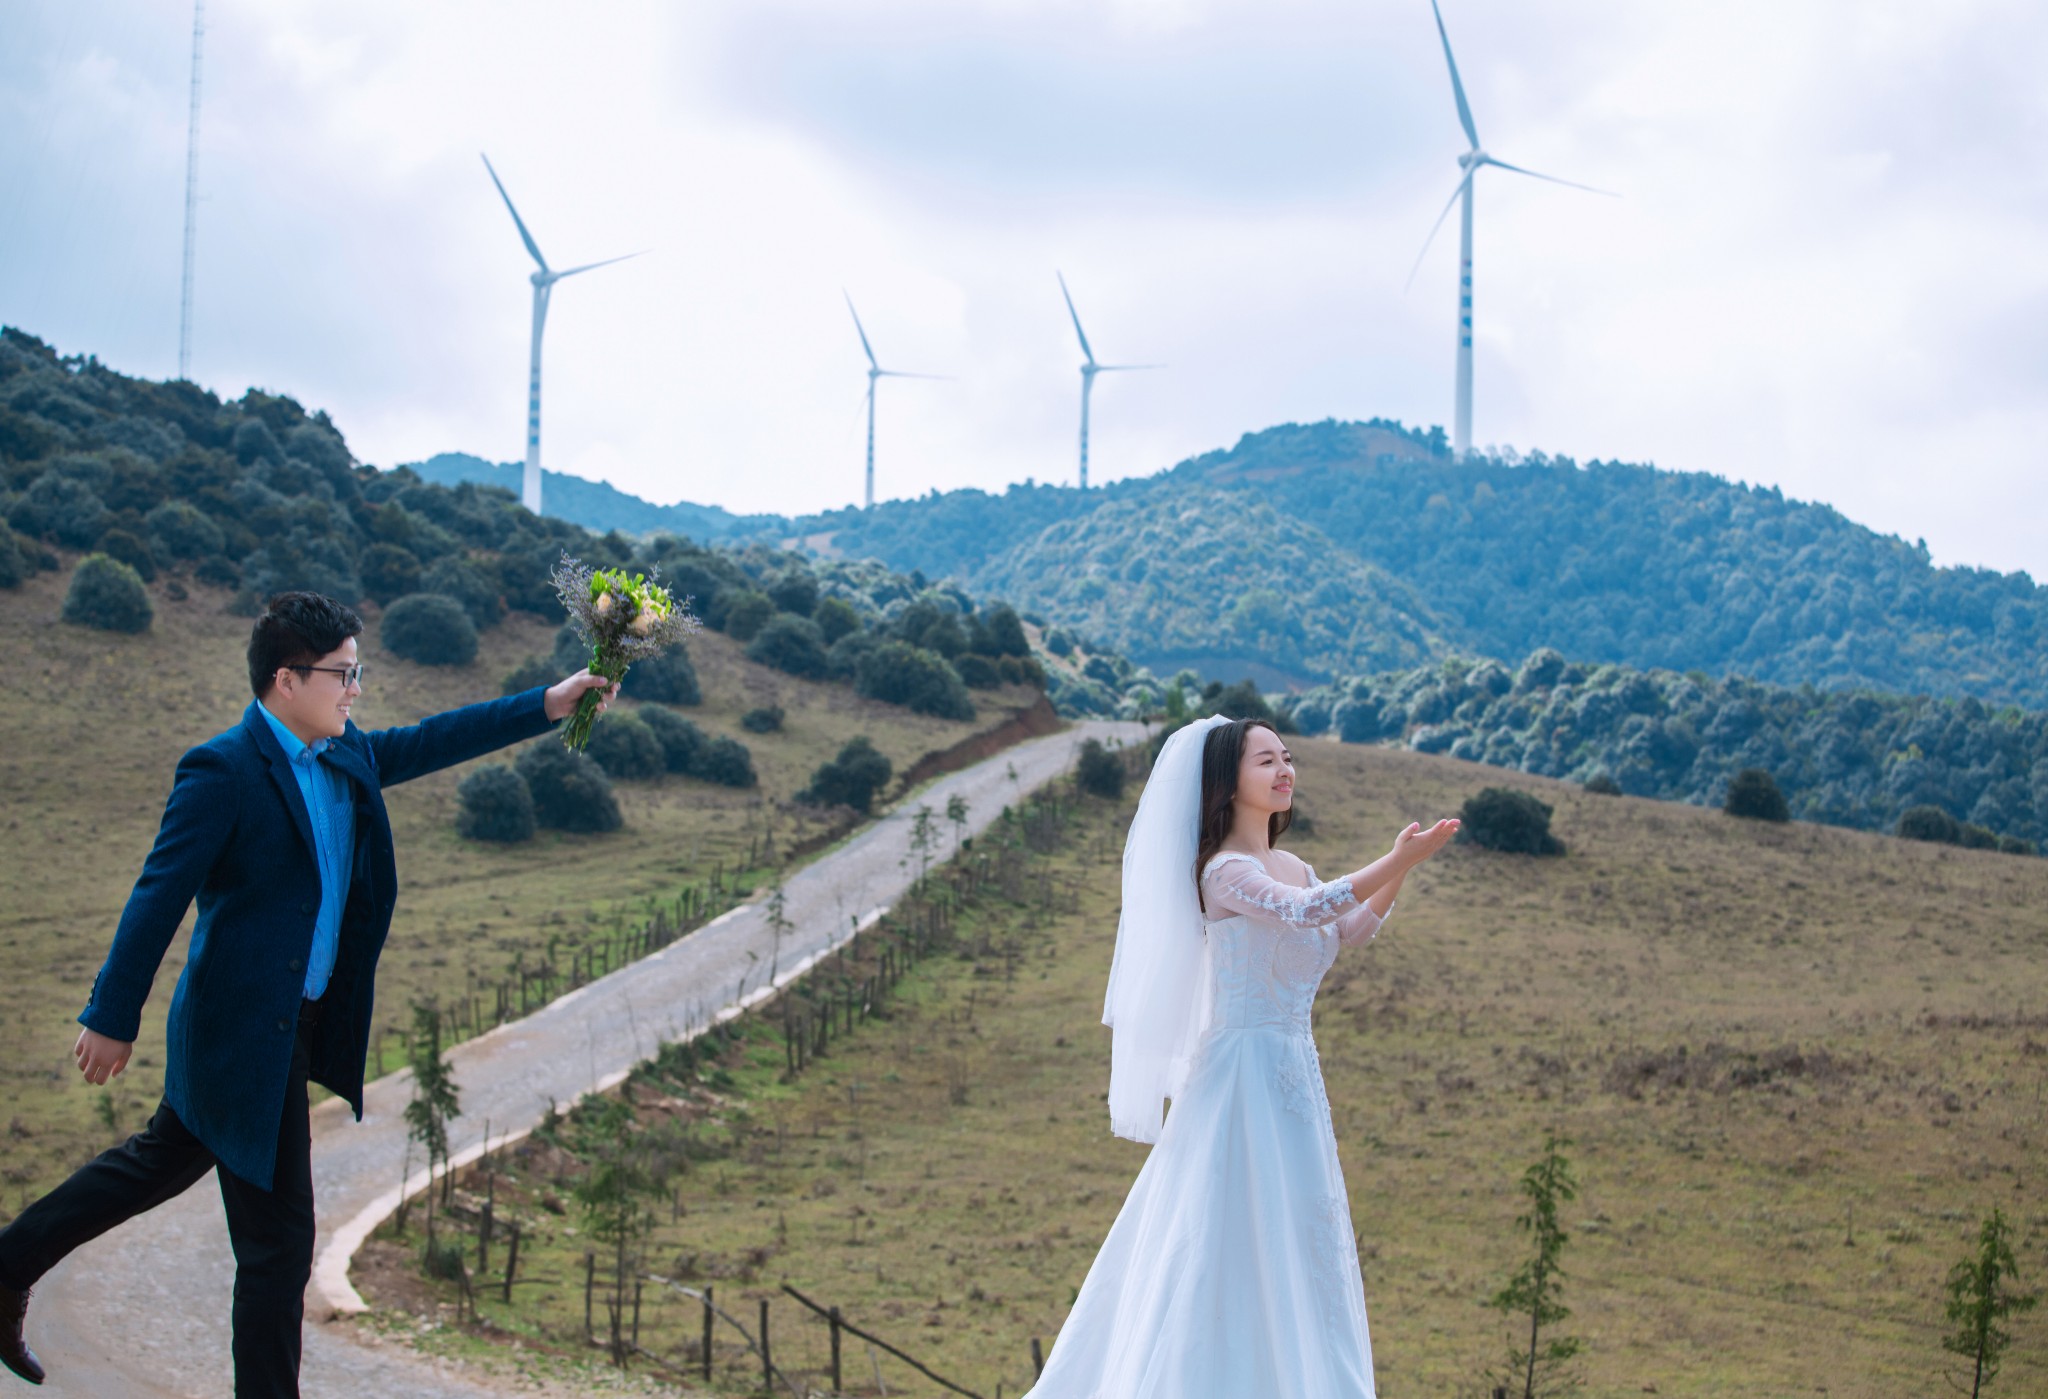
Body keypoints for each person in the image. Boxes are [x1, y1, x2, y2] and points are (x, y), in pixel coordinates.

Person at [0, 591, 617, 1395]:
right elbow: (158, 893)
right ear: (287, 679)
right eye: (343, 674)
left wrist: (548, 702)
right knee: (279, 1246)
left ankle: (9, 1262)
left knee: (157, 1163)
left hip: (293, 1024)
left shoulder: (347, 752)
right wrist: (111, 1016)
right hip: (237, 1035)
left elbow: (433, 738)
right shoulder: (222, 769)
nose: (355, 688)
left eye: (358, 672)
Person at [1025, 715, 1459, 1398]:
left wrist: (1399, 868)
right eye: (1266, 761)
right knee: (1226, 1236)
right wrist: (1397, 859)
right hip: (1239, 1077)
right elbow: (1308, 909)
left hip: (1293, 1074)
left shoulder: (1292, 862)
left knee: (1296, 1235)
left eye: (1286, 757)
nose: (1285, 769)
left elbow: (1348, 929)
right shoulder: (1226, 870)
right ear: (1228, 782)